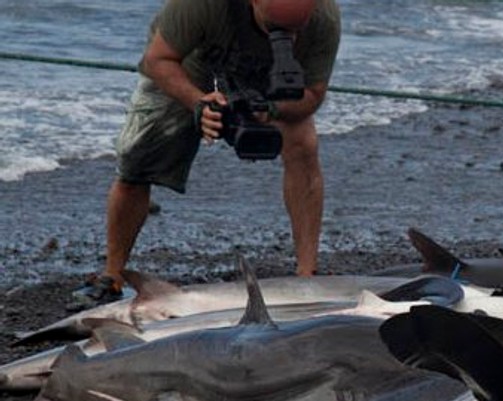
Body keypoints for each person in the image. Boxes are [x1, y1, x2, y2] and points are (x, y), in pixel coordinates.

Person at [73, 0, 341, 303]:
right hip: (189, 63)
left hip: (274, 75)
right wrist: (199, 103)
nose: (286, 36)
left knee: (304, 144)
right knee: (139, 158)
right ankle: (112, 276)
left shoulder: (323, 18)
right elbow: (157, 60)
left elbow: (314, 95)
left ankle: (308, 276)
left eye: (295, 31)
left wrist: (273, 110)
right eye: (275, 28)